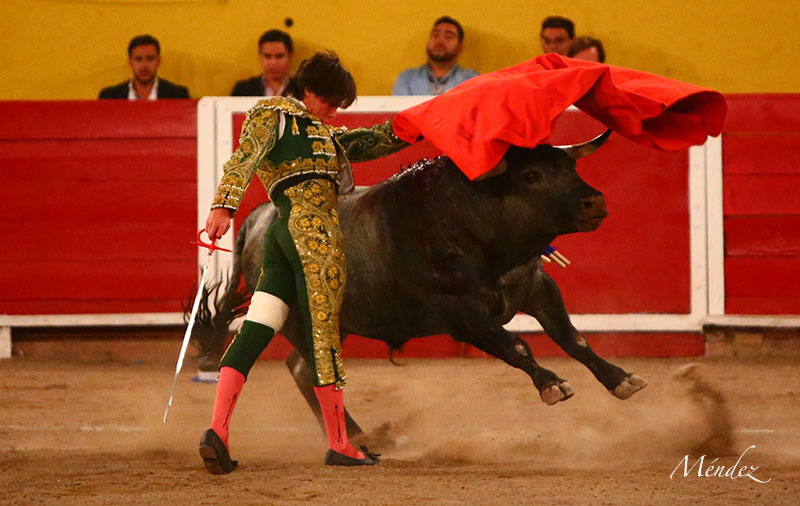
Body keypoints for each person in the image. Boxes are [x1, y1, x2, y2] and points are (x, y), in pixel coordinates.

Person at [199, 51, 411, 474]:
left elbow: (370, 140)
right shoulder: (273, 112)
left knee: (257, 328)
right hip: (312, 233)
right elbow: (245, 156)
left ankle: (217, 431)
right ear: (309, 91)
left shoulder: (322, 132)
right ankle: (339, 443)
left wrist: (418, 125)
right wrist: (223, 206)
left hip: (280, 234)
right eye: (330, 103)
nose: (333, 114)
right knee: (325, 333)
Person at [392, 15, 479, 95]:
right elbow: (400, 111)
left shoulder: (472, 80)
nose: (440, 41)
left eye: (448, 36)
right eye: (435, 35)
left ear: (460, 48)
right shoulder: (407, 78)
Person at [98, 35, 189, 99]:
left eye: (150, 58)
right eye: (138, 59)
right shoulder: (109, 97)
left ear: (158, 61)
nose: (144, 65)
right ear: (130, 62)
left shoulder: (178, 95)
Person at [231, 29, 294, 97]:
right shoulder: (242, 90)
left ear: (290, 56)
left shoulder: (302, 91)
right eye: (267, 56)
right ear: (260, 56)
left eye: (279, 56)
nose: (273, 63)